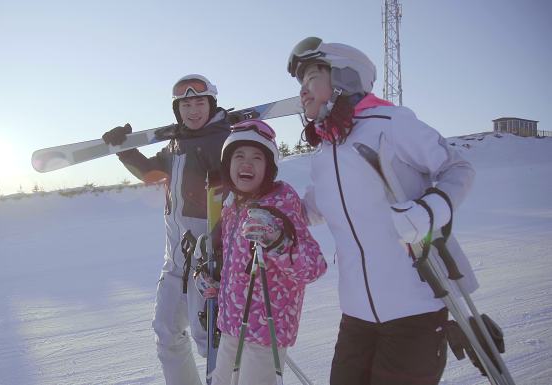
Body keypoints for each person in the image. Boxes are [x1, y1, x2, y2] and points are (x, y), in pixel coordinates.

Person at [286, 36, 478, 385]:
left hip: (414, 310)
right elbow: (314, 209)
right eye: (300, 83)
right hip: (356, 316)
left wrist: (429, 211)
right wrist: (273, 210)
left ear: (344, 76)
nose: (303, 90)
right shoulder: (325, 153)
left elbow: (458, 169)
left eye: (312, 77)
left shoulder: (391, 123)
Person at [101, 74, 231, 385]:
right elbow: (150, 174)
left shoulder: (225, 140)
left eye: (200, 102)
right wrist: (124, 149)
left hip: (209, 260)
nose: (193, 110)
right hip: (174, 259)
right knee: (167, 334)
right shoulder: (176, 144)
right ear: (177, 110)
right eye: (186, 104)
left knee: (212, 343)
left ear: (211, 104)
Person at [209, 119, 327, 385]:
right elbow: (239, 267)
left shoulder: (280, 203)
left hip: (265, 332)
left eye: (257, 157)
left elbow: (314, 266)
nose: (246, 163)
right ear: (228, 165)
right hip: (232, 326)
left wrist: (278, 241)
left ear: (269, 168)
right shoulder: (234, 206)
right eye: (238, 156)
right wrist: (218, 286)